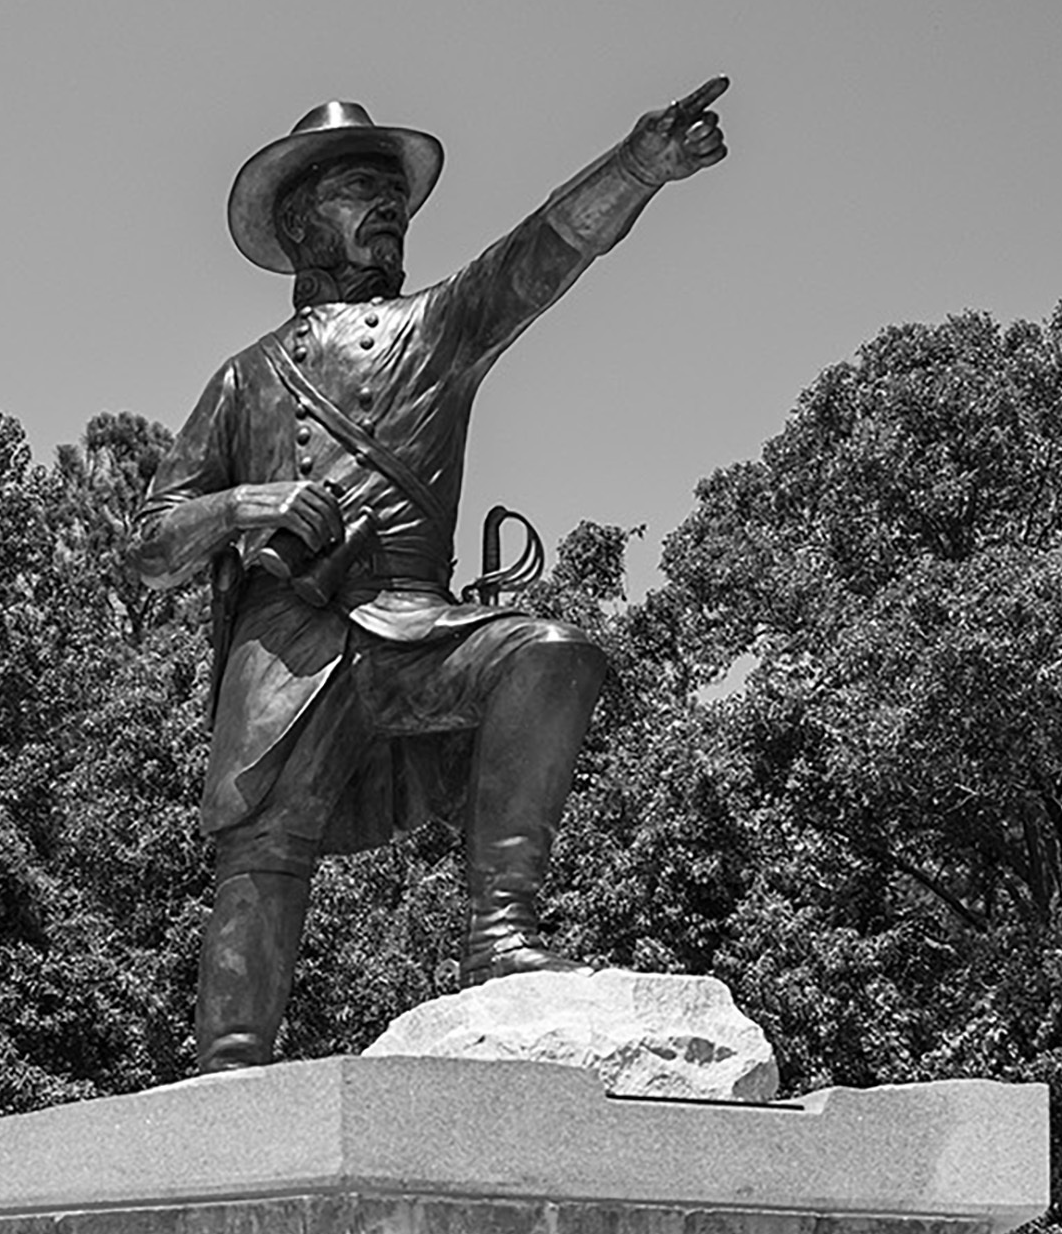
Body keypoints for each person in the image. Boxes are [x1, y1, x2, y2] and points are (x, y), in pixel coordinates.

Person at [132, 78, 731, 1071]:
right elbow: (148, 545)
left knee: (548, 655)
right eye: (358, 191)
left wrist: (639, 166)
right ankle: (227, 1072)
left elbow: (541, 254)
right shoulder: (245, 378)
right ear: (299, 222)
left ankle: (498, 933)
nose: (388, 210)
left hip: (413, 628)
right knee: (261, 850)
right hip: (286, 645)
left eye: (393, 194)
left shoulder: (435, 329)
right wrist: (247, 506)